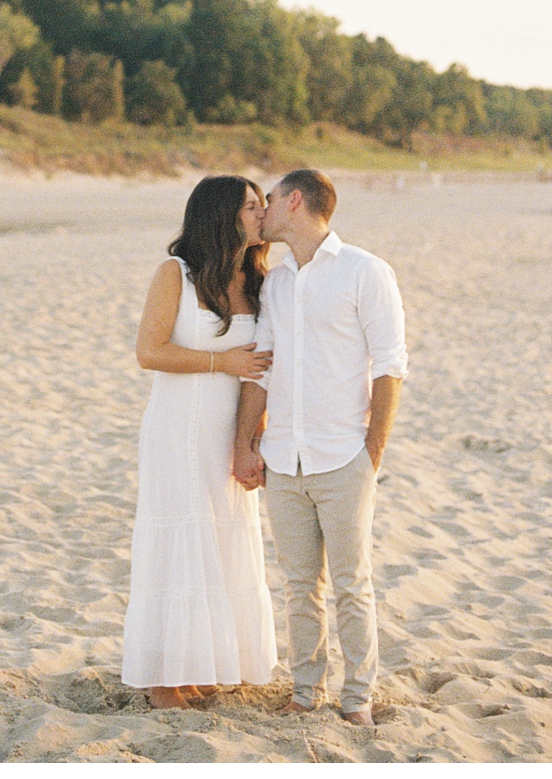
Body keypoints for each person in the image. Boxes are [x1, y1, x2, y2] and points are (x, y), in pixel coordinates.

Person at [233, 169, 407, 726]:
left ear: (296, 200)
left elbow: (391, 365)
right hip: (284, 458)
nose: (264, 210)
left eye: (272, 198)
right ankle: (307, 691)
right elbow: (261, 369)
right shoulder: (278, 283)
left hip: (343, 457)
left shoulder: (365, 271)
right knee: (300, 585)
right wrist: (246, 442)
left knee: (353, 585)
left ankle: (357, 698)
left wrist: (370, 453)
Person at [120, 175, 278, 709]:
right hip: (177, 429)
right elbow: (149, 351)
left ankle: (200, 663)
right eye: (253, 206)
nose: (264, 213)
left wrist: (250, 442)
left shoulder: (259, 281)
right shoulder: (177, 275)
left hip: (228, 431)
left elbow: (263, 371)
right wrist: (221, 361)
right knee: (179, 541)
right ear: (222, 215)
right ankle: (164, 678)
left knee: (223, 539)